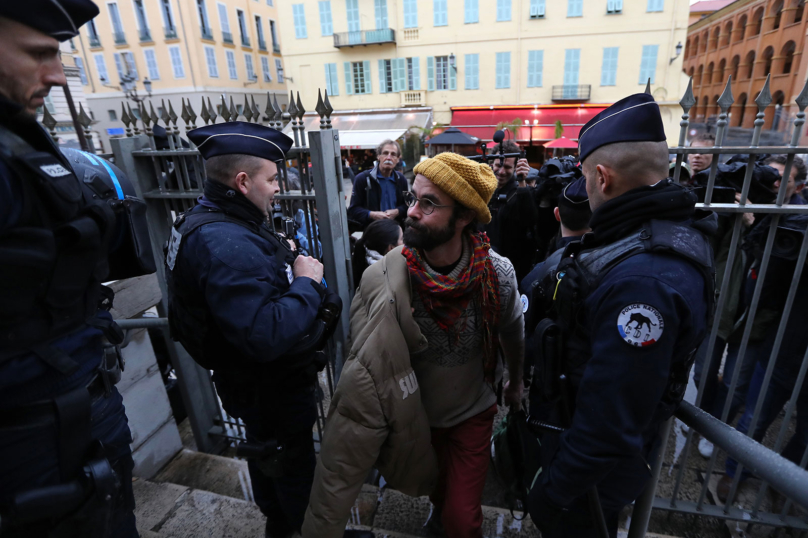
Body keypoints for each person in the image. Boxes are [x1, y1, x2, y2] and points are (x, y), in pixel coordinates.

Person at [303, 152, 525, 538]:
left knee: (463, 520)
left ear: (465, 216)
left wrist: (516, 380)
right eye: (413, 198)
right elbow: (366, 369)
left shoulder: (497, 276)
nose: (412, 212)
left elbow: (512, 331)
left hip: (474, 413)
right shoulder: (386, 278)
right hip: (417, 418)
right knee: (439, 491)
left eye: (429, 203)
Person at [0, 2, 160, 536]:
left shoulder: (22, 141)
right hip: (30, 439)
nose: (55, 72)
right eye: (38, 53)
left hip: (77, 411)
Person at [526, 93, 715, 538]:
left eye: (586, 177)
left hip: (588, 482)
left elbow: (610, 418)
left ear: (603, 177)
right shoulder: (653, 237)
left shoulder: (643, 279)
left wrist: (556, 493)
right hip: (594, 465)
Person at [165, 121, 343, 538]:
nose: (279, 187)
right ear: (243, 182)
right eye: (273, 178)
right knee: (292, 468)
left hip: (248, 383)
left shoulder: (210, 219)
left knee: (269, 459)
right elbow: (264, 334)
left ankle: (281, 524)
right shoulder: (226, 244)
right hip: (270, 386)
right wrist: (305, 281)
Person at [520, 180, 591, 386]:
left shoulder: (538, 274)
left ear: (557, 214)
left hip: (550, 382)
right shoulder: (614, 266)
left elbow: (524, 333)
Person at [484, 139, 540, 282]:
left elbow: (529, 218)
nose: (501, 172)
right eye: (498, 165)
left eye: (507, 167)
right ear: (492, 164)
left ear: (515, 168)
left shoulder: (519, 192)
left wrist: (522, 182)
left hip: (512, 268)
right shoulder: (483, 189)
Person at [347, 139, 409, 230]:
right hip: (373, 233)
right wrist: (372, 215)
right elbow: (353, 210)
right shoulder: (363, 179)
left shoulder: (401, 179)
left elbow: (407, 206)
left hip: (397, 233)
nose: (388, 157)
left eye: (393, 154)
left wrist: (397, 211)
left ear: (398, 159)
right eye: (385, 153)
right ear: (378, 156)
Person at [350, 218, 403, 286]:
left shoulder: (364, 261)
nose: (405, 243)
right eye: (402, 239)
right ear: (391, 248)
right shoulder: (386, 276)